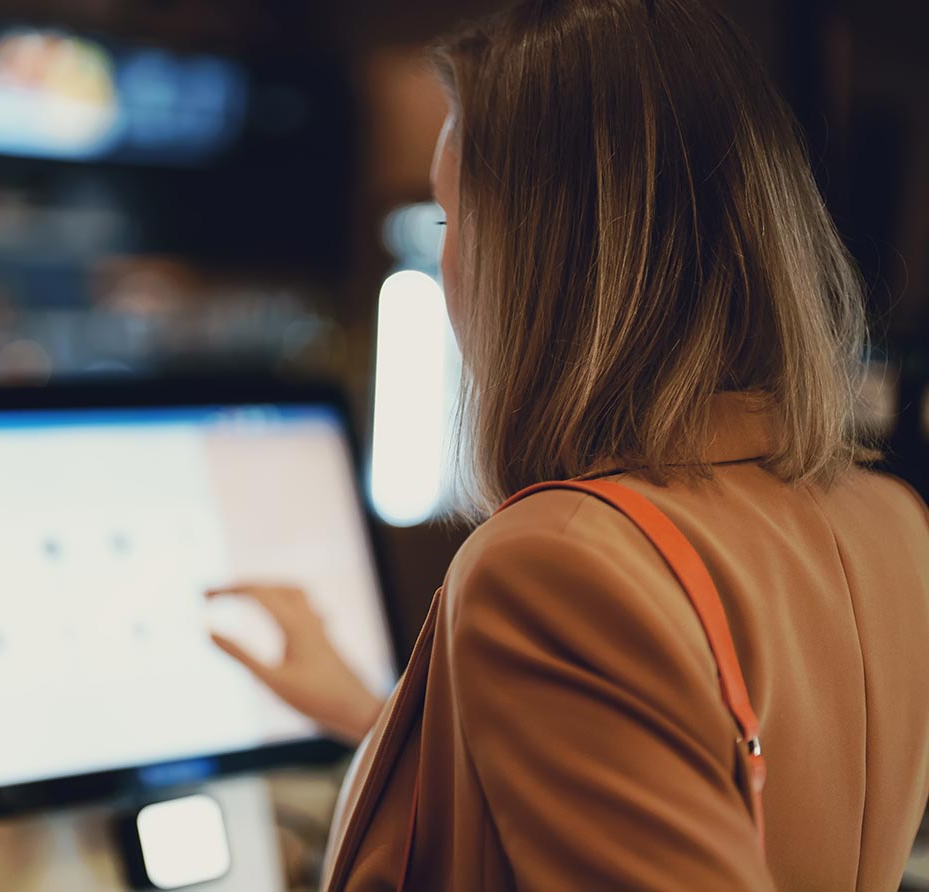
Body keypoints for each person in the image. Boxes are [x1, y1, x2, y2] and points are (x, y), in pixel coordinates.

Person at [206, 1, 929, 889]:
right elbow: (646, 774)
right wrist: (374, 713)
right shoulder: (888, 521)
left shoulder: (555, 560)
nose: (445, 268)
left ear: (535, 256)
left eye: (447, 222)